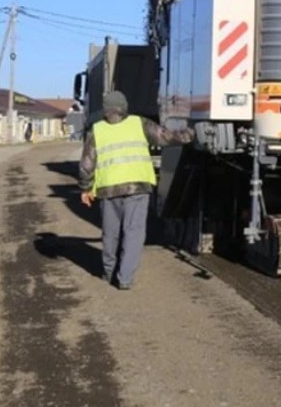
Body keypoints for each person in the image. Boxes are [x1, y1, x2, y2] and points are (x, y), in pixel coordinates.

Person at [77, 91, 195, 290]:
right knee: (134, 232)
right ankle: (125, 278)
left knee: (110, 233)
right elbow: (166, 138)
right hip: (137, 188)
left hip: (108, 189)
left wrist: (85, 188)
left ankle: (108, 271)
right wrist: (190, 134)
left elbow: (86, 165)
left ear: (106, 110)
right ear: (124, 107)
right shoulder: (139, 123)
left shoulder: (97, 131)